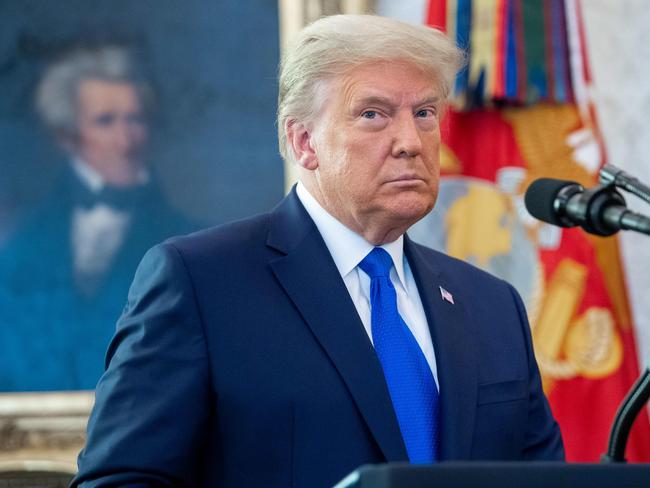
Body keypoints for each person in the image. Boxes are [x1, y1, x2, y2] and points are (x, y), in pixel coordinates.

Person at [73, 15, 563, 488]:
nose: (411, 142)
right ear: (304, 142)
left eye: (425, 113)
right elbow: (119, 480)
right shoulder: (200, 282)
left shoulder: (493, 305)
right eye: (373, 114)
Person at [0, 45, 191, 391]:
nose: (125, 140)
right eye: (106, 121)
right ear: (66, 136)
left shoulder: (191, 242)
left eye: (135, 120)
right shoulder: (19, 250)